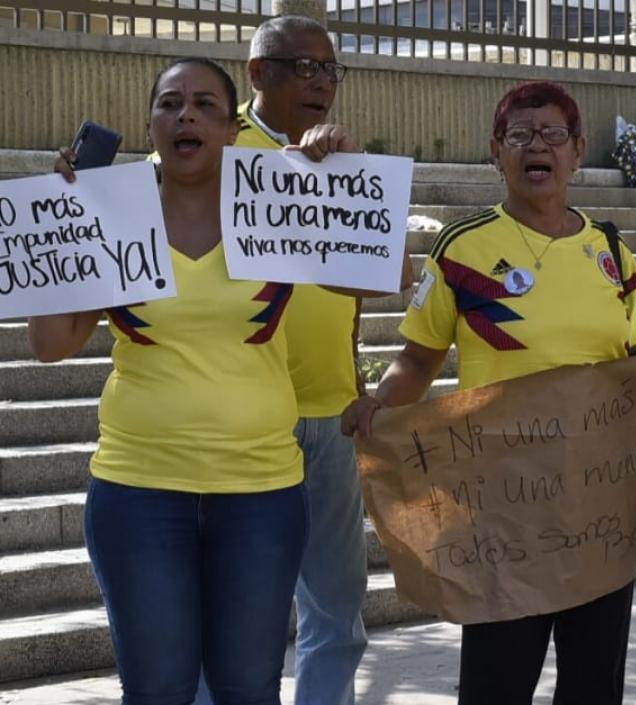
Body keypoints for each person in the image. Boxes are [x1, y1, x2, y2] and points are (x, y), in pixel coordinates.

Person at [341, 80, 636, 705]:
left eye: (553, 135)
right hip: (502, 514)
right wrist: (381, 406)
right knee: (496, 686)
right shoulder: (462, 248)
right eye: (520, 136)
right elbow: (418, 359)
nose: (538, 147)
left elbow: (626, 362)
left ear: (578, 151)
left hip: (600, 514)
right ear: (496, 153)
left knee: (594, 687)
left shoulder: (612, 253)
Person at [32, 57, 308, 705]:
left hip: (262, 493)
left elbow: (381, 274)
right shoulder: (112, 213)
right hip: (138, 492)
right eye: (170, 103)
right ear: (151, 126)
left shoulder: (281, 206)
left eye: (206, 104)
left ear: (234, 129)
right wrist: (60, 223)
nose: (186, 114)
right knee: (157, 690)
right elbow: (50, 343)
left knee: (248, 689)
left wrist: (342, 170)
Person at [201, 16, 371, 705]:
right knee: (239, 617)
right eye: (306, 68)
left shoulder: (338, 159)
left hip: (332, 414)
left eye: (331, 70)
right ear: (257, 73)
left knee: (337, 612)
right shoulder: (212, 143)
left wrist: (341, 171)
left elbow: (378, 272)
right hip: (242, 418)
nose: (323, 83)